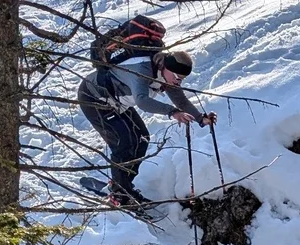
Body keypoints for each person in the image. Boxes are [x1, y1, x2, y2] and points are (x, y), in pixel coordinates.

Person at [78, 49, 217, 208]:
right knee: (123, 143)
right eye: (177, 78)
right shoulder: (142, 70)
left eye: (182, 79)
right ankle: (119, 195)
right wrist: (172, 112)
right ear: (166, 67)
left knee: (142, 139)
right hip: (93, 98)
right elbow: (142, 101)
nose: (178, 82)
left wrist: (201, 118)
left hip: (117, 102)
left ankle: (122, 186)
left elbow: (182, 102)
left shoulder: (168, 75)